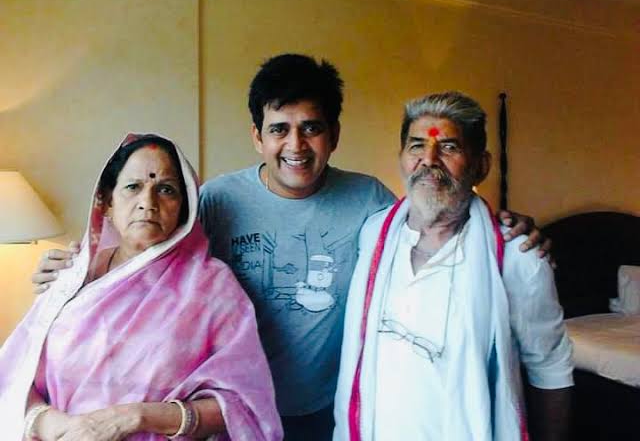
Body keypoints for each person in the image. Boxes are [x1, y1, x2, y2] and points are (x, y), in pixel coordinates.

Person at [32, 55, 550, 441]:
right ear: (257, 137)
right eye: (279, 129)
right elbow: (153, 252)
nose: (295, 146)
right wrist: (83, 266)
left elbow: (433, 218)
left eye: (311, 129)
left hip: (325, 410)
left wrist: (499, 222)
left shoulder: (371, 201)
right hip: (230, 414)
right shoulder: (217, 200)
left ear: (334, 135)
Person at [0, 134, 282, 441]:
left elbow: (243, 404)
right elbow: (15, 374)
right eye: (133, 187)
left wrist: (133, 417)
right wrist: (53, 425)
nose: (148, 203)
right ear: (107, 201)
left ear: (184, 207)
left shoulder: (212, 287)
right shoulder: (71, 276)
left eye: (166, 189)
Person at [333, 92, 573, 441]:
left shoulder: (516, 257)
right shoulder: (373, 234)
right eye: (417, 145)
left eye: (448, 147)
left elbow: (550, 367)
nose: (429, 160)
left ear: (481, 165)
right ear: (401, 158)